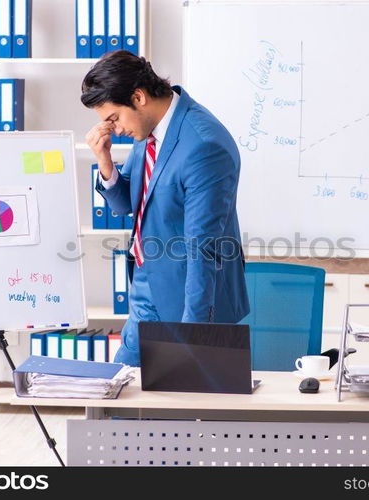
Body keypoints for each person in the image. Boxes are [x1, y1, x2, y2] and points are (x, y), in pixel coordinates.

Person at [81, 51, 249, 366]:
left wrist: (194, 335)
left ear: (138, 97)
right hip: (147, 288)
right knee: (118, 399)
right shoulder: (148, 131)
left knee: (188, 407)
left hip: (191, 298)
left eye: (114, 118)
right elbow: (125, 205)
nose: (113, 129)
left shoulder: (203, 145)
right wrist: (105, 161)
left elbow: (204, 249)